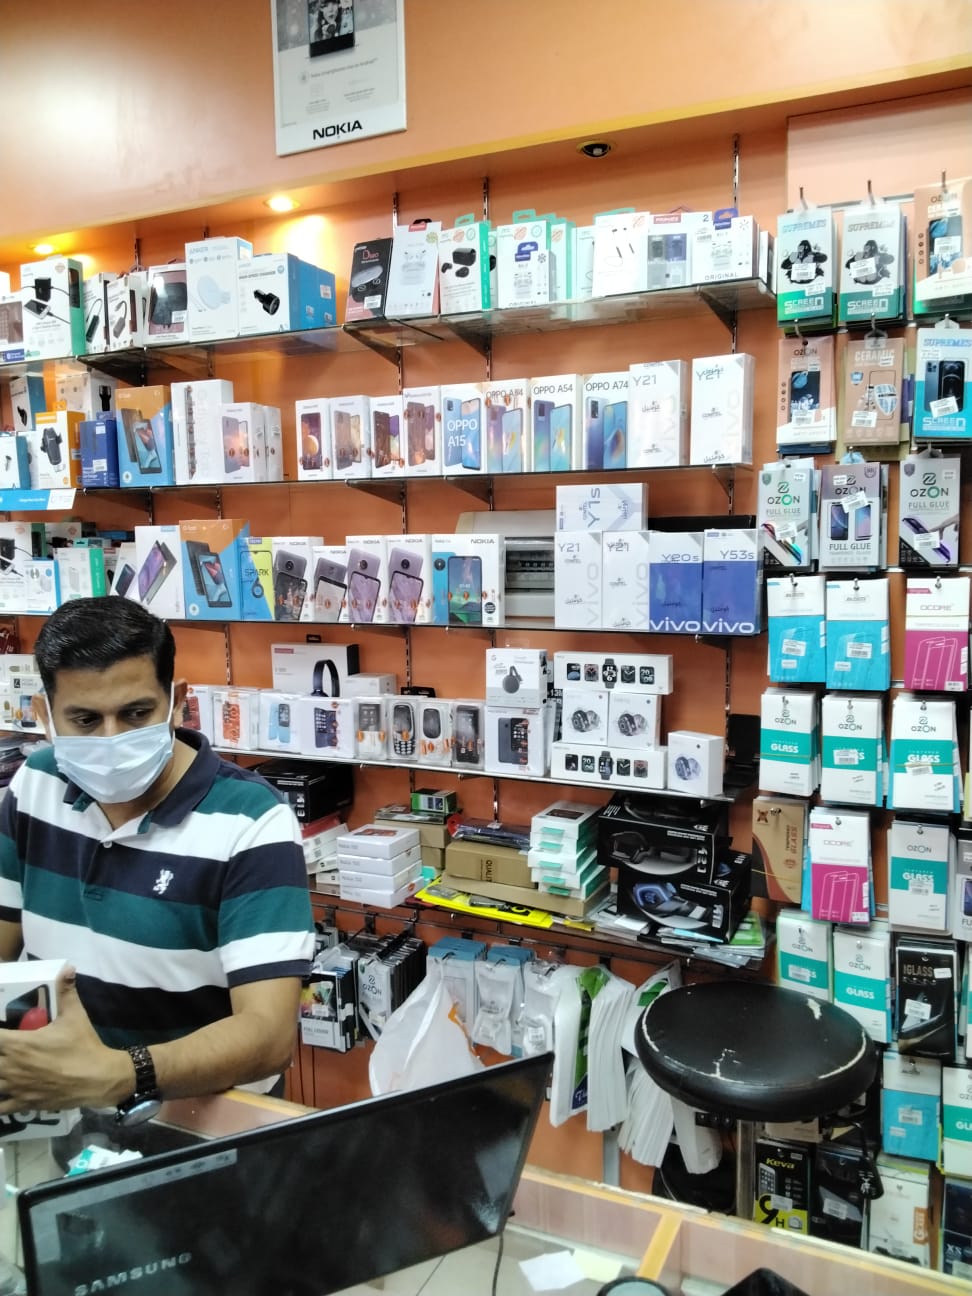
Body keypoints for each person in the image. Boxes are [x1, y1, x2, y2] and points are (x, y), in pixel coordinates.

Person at [0, 597, 314, 1121]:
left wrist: (119, 1074)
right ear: (43, 716)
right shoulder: (35, 783)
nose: (112, 739)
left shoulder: (252, 821)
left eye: (136, 713)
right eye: (85, 719)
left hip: (204, 1127)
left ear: (177, 702)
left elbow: (267, 1035)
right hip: (60, 1114)